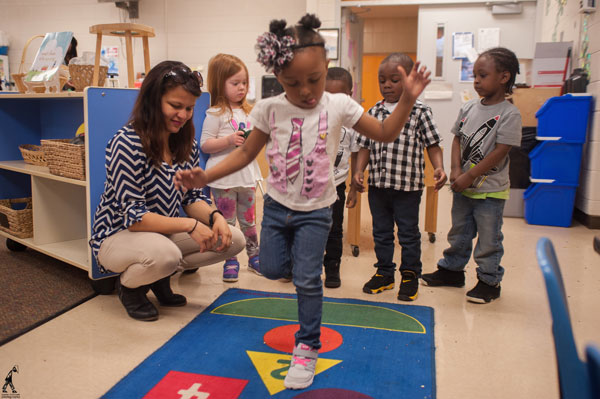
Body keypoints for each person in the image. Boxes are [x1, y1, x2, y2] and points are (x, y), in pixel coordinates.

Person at [174, 14, 431, 390]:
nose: (307, 91)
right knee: (275, 267)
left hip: (316, 211)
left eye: (315, 80)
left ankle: (307, 345)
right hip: (277, 208)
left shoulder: (340, 105)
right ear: (279, 78)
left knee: (308, 280)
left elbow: (386, 132)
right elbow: (245, 154)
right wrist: (206, 176)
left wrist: (407, 98)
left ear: (326, 69)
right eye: (294, 83)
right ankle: (297, 266)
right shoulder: (268, 109)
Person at [89, 60, 246, 322]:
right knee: (167, 254)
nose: (183, 115)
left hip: (162, 234)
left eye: (189, 108)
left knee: (233, 238)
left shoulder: (185, 144)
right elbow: (136, 218)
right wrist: (190, 226)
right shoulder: (126, 143)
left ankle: (159, 277)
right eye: (175, 106)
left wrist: (215, 217)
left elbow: (192, 197)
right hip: (117, 236)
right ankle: (129, 286)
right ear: (153, 100)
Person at [421, 47, 522, 303]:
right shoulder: (468, 108)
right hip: (463, 187)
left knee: (489, 239)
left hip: (490, 190)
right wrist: (456, 169)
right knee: (460, 232)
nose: (476, 80)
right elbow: (456, 138)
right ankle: (452, 271)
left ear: (503, 77)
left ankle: (489, 281)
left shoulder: (510, 114)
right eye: (474, 75)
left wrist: (470, 175)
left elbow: (500, 151)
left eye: (483, 75)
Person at [354, 53, 446, 302]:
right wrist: (358, 171)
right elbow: (364, 146)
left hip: (408, 187)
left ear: (409, 80)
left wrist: (439, 167)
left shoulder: (420, 112)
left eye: (394, 79)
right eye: (382, 80)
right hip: (379, 186)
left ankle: (410, 275)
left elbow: (433, 144)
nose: (387, 85)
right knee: (381, 232)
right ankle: (384, 273)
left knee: (408, 233)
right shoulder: (373, 111)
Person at [200, 54, 261, 282]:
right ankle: (230, 261)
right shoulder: (215, 114)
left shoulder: (249, 111)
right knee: (227, 224)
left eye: (244, 83)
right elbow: (205, 144)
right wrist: (228, 141)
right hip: (223, 179)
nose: (241, 88)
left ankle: (255, 257)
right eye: (235, 83)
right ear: (220, 83)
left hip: (246, 177)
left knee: (249, 222)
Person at [322, 66, 359, 288]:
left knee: (334, 229)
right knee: (309, 227)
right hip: (313, 186)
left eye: (340, 96)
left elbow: (356, 155)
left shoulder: (355, 122)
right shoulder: (317, 116)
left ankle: (332, 267)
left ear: (350, 94)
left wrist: (354, 185)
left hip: (336, 186)